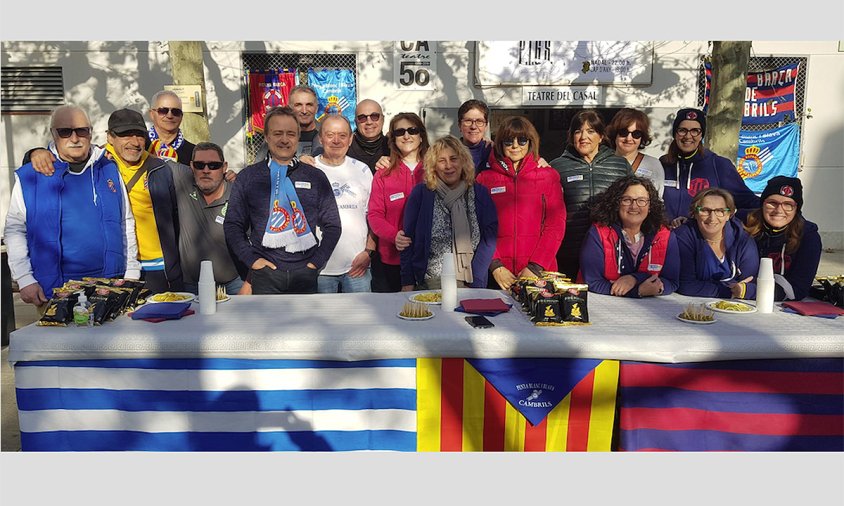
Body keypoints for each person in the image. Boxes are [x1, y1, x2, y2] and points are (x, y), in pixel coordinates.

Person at [21, 108, 185, 293]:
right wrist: (34, 153)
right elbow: (62, 155)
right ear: (110, 137)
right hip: (117, 270)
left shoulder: (159, 168)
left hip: (157, 267)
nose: (134, 142)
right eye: (125, 135)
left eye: (140, 135)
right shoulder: (100, 162)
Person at [4, 105, 140, 305]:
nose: (74, 138)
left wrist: (131, 271)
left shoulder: (109, 168)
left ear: (90, 133)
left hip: (109, 286)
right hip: (53, 291)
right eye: (65, 132)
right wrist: (24, 279)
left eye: (81, 131)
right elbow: (15, 229)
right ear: (53, 134)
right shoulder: (31, 176)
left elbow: (125, 221)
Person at [224, 106, 341, 295]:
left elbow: (333, 225)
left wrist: (315, 263)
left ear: (297, 137)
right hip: (265, 275)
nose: (284, 140)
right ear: (268, 137)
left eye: (290, 134)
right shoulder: (248, 177)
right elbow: (232, 225)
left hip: (306, 273)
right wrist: (253, 261)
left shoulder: (315, 177)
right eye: (277, 133)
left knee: (306, 326)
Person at [476, 116, 566, 290]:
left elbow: (555, 225)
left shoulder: (548, 176)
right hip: (498, 275)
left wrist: (535, 266)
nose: (515, 145)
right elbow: (477, 225)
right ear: (500, 144)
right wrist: (494, 265)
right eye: (509, 141)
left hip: (538, 273)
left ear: (530, 142)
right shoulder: (484, 180)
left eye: (522, 140)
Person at [400, 135, 498, 290]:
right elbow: (407, 240)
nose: (448, 166)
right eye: (441, 161)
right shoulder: (421, 194)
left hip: (471, 279)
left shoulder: (479, 193)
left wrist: (476, 282)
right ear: (433, 166)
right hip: (430, 281)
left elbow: (489, 239)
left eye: (454, 159)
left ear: (463, 161)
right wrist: (407, 281)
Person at [549, 110, 631, 280]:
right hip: (568, 253)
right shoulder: (557, 166)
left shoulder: (620, 165)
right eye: (578, 131)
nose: (583, 137)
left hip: (610, 251)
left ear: (601, 136)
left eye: (590, 131)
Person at [579, 175, 679, 297]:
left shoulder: (664, 235)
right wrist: (637, 291)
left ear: (650, 206)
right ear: (616, 203)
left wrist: (635, 279)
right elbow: (592, 282)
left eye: (641, 201)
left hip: (651, 308)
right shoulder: (598, 233)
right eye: (627, 200)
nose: (634, 206)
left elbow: (671, 281)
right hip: (603, 306)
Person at [660, 107, 760, 226]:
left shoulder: (719, 165)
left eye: (695, 131)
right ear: (675, 134)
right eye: (682, 130)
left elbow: (749, 203)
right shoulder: (663, 164)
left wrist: (727, 225)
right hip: (666, 239)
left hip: (702, 240)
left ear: (701, 134)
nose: (688, 136)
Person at [312, 115, 377, 293]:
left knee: (361, 318)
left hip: (357, 266)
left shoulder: (363, 170)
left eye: (342, 135)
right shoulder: (309, 169)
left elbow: (373, 215)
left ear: (350, 139)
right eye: (330, 134)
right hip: (320, 269)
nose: (336, 140)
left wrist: (368, 252)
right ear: (321, 138)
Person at [367, 112, 429, 292]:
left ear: (421, 135)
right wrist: (394, 236)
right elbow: (375, 214)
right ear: (393, 139)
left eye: (412, 130)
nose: (407, 135)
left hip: (427, 259)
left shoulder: (435, 169)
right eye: (400, 132)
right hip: (392, 259)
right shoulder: (383, 173)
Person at [174, 142, 245, 296]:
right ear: (191, 166)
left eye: (214, 166)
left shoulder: (238, 195)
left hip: (233, 283)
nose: (206, 170)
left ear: (224, 167)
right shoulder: (183, 180)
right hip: (192, 286)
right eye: (200, 165)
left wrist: (248, 284)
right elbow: (147, 159)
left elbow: (257, 242)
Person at [745, 176, 822, 301]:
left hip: (781, 303)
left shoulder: (808, 237)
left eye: (788, 205)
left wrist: (751, 291)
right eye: (772, 203)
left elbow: (798, 289)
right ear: (762, 204)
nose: (779, 210)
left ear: (796, 209)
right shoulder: (744, 225)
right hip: (739, 299)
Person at [675, 187, 760, 299]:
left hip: (736, 309)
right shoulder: (684, 236)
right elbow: (686, 285)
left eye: (720, 211)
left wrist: (744, 290)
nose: (712, 218)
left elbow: (751, 284)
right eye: (705, 210)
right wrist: (731, 291)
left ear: (729, 215)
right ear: (695, 213)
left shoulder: (743, 239)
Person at [255, 85, 323, 162]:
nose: (304, 111)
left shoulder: (328, 134)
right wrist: (295, 163)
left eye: (309, 105)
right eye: (298, 105)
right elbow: (259, 168)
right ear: (289, 108)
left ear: (316, 108)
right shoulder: (277, 136)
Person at [606, 108, 664, 197]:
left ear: (642, 137)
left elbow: (657, 200)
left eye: (636, 134)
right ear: (615, 134)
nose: (629, 138)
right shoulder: (603, 163)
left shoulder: (653, 165)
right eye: (623, 132)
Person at [147, 89, 196, 164]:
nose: (169, 116)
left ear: (181, 116)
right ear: (151, 114)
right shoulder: (139, 145)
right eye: (163, 111)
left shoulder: (193, 153)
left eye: (176, 112)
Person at [347, 99, 390, 173]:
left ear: (383, 119)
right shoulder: (345, 147)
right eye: (362, 118)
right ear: (356, 122)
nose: (369, 122)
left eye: (374, 116)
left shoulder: (392, 147)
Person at [457, 99, 493, 173]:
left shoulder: (495, 152)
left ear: (486, 126)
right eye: (468, 121)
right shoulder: (450, 152)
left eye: (479, 121)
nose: (473, 126)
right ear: (459, 125)